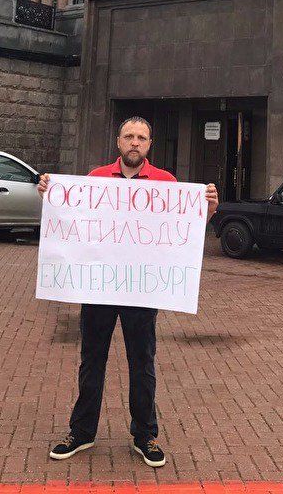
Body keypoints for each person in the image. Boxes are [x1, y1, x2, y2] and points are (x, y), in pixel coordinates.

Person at [38, 116, 219, 468]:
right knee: (92, 361)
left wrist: (207, 208)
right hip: (99, 288)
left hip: (142, 291)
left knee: (142, 364)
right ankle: (82, 431)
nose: (135, 143)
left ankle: (145, 435)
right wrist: (50, 194)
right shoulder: (94, 180)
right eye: (128, 136)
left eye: (142, 137)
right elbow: (71, 225)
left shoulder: (166, 183)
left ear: (149, 145)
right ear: (118, 142)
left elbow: (184, 233)